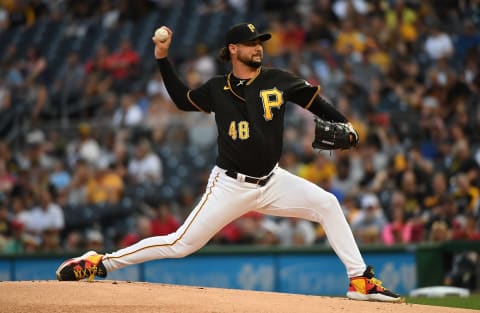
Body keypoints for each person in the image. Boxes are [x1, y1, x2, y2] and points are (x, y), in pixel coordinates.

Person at [56, 23, 401, 302]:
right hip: (230, 185)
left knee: (327, 203)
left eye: (260, 42)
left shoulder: (278, 79)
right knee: (180, 244)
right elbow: (181, 99)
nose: (258, 47)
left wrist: (345, 124)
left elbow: (315, 102)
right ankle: (100, 262)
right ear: (234, 49)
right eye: (251, 43)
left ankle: (360, 280)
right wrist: (162, 58)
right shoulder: (217, 88)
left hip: (272, 180)